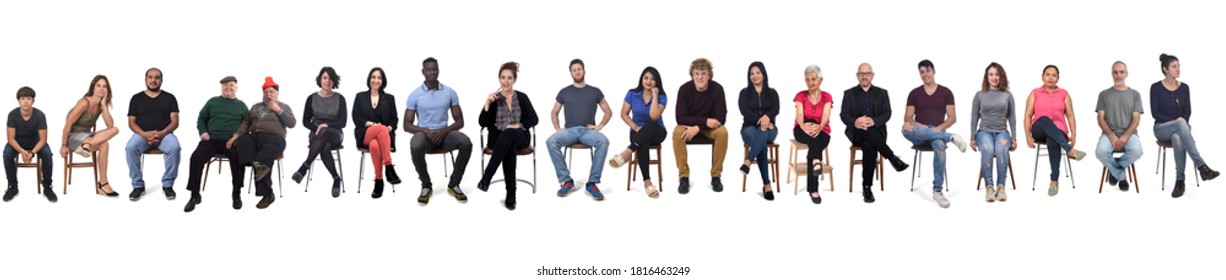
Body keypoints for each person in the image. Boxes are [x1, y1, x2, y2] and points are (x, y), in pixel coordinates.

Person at [218, 77, 295, 210]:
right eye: (265, 92)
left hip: (274, 138)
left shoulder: (283, 106)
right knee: (241, 141)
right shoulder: (255, 107)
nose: (268, 94)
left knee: (264, 157)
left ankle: (267, 194)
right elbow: (245, 124)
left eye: (271, 92)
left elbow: (292, 123)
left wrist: (277, 109)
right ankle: (256, 164)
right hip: (254, 137)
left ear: (277, 94)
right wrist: (234, 136)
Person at [1150, 53, 1219, 198]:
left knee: (1177, 137)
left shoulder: (1185, 88)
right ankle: (1202, 166)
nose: (1178, 69)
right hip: (1161, 128)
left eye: (1178, 66)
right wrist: (1177, 121)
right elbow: (1156, 114)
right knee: (1180, 124)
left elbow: (1187, 111)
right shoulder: (1155, 87)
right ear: (1165, 69)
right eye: (1174, 66)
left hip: (1181, 130)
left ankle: (1179, 181)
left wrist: (1180, 122)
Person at [901, 59, 968, 209]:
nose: (925, 75)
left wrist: (938, 130)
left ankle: (937, 191)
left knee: (939, 147)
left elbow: (952, 118)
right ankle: (951, 137)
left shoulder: (946, 92)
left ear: (934, 71)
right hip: (919, 132)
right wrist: (921, 126)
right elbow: (908, 118)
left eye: (927, 71)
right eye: (922, 72)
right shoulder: (914, 93)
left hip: (938, 132)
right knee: (905, 128)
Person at [405, 57, 472, 205]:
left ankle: (454, 184)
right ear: (423, 72)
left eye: (434, 69)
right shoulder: (414, 95)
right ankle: (426, 185)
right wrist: (425, 131)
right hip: (425, 136)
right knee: (415, 144)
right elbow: (407, 125)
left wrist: (444, 131)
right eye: (428, 69)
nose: (432, 72)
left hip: (445, 135)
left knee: (466, 143)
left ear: (438, 70)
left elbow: (460, 121)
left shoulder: (450, 92)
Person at [840, 63, 910, 203]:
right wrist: (856, 122)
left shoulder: (882, 93)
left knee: (869, 145)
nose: (864, 76)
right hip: (856, 133)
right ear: (857, 76)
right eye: (861, 74)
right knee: (866, 137)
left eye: (867, 73)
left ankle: (867, 187)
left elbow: (887, 113)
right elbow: (844, 115)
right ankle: (892, 158)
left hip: (877, 132)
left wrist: (873, 121)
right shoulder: (849, 93)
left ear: (872, 75)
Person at [477, 62, 539, 211]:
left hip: (520, 136)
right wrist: (487, 104)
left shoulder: (522, 97)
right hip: (498, 138)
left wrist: (518, 125)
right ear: (499, 80)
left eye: (509, 78)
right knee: (508, 144)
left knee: (510, 133)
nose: (506, 81)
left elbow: (534, 119)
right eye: (503, 78)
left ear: (514, 80)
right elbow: (482, 123)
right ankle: (511, 195)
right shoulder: (494, 99)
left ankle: (486, 178)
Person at [546, 59, 612, 201]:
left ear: (584, 71)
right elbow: (554, 111)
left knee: (604, 141)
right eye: (574, 70)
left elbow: (608, 111)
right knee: (551, 141)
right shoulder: (564, 91)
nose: (577, 71)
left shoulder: (595, 91)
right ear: (571, 73)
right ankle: (567, 181)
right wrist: (557, 128)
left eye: (579, 69)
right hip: (569, 131)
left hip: (588, 131)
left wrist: (599, 126)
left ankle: (592, 183)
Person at [182, 76, 248, 212]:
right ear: (221, 88)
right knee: (196, 158)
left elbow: (246, 125)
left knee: (239, 159)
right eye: (225, 85)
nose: (228, 87)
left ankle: (236, 194)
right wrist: (203, 132)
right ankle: (194, 195)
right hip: (211, 140)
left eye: (231, 85)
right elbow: (201, 118)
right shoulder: (212, 102)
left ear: (236, 88)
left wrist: (237, 138)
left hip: (231, 142)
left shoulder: (241, 105)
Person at [1024, 65, 1087, 197]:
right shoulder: (1035, 92)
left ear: (1058, 78)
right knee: (1045, 120)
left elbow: (1070, 115)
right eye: (1047, 74)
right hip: (1039, 129)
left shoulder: (1064, 94)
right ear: (1042, 77)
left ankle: (1054, 180)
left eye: (1054, 75)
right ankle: (1070, 150)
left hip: (1059, 131)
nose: (1050, 78)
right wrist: (1027, 136)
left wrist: (1074, 134)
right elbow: (1028, 116)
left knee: (1052, 138)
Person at [606, 67, 668, 198]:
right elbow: (624, 114)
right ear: (641, 79)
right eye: (646, 78)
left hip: (657, 132)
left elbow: (654, 116)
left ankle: (628, 152)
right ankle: (647, 182)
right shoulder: (632, 94)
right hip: (637, 132)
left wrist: (655, 95)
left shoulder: (662, 96)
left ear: (657, 82)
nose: (649, 81)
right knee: (643, 142)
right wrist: (635, 127)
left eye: (652, 79)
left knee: (650, 124)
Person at [672, 58, 729, 194]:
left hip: (710, 129)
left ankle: (716, 176)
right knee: (677, 132)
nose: (700, 77)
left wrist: (698, 126)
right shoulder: (684, 89)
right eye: (696, 74)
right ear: (692, 75)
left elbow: (721, 117)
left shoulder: (717, 89)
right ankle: (683, 177)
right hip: (689, 127)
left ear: (709, 75)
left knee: (723, 132)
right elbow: (680, 118)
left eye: (703, 73)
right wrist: (703, 122)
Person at [125, 67, 181, 201]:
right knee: (130, 147)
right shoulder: (136, 98)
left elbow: (175, 121)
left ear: (161, 80)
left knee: (175, 147)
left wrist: (163, 133)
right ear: (145, 80)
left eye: (157, 77)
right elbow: (131, 122)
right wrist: (143, 134)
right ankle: (138, 186)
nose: (153, 80)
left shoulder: (170, 98)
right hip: (142, 134)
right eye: (150, 77)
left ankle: (168, 185)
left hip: (165, 134)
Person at [290, 66, 348, 198]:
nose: (327, 81)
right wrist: (317, 128)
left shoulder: (340, 98)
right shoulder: (311, 98)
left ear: (334, 81)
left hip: (335, 133)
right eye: (325, 78)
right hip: (316, 133)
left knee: (325, 133)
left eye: (330, 78)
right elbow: (305, 122)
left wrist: (326, 125)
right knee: (325, 147)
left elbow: (343, 122)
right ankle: (336, 178)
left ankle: (305, 166)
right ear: (320, 80)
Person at [62, 75, 121, 197]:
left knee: (114, 130)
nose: (101, 89)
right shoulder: (84, 103)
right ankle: (103, 184)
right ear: (93, 87)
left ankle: (103, 183)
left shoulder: (100, 105)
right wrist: (63, 145)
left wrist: (104, 105)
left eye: (104, 87)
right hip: (73, 137)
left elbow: (110, 126)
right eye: (98, 86)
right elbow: (68, 123)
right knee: (104, 144)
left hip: (87, 138)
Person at [969, 62, 1017, 203]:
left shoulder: (1007, 95)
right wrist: (972, 138)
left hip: (1002, 131)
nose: (994, 77)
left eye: (997, 74)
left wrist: (1014, 137)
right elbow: (973, 117)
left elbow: (1012, 117)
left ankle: (1001, 187)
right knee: (988, 149)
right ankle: (989, 187)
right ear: (987, 76)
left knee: (1001, 149)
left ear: (1001, 76)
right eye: (991, 74)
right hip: (984, 132)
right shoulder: (979, 95)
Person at [1094, 61, 1144, 192]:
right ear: (1112, 74)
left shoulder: (1135, 94)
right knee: (1100, 151)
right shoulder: (1103, 94)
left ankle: (1114, 170)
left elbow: (1136, 119)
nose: (1118, 75)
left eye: (1121, 72)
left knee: (1137, 150)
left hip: (1129, 133)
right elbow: (1100, 119)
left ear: (1126, 74)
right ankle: (1121, 176)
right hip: (1108, 132)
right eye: (1115, 72)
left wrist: (1125, 137)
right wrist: (1111, 135)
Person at [353, 67, 401, 199]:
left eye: (379, 78)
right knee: (380, 129)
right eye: (373, 77)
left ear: (383, 81)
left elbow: (394, 118)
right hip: (365, 133)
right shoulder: (360, 96)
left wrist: (390, 127)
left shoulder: (389, 98)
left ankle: (379, 181)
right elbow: (356, 117)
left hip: (384, 137)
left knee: (375, 145)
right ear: (369, 79)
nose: (376, 80)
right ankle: (389, 166)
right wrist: (371, 124)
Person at [737, 61, 780, 201]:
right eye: (752, 73)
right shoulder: (744, 93)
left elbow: (776, 109)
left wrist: (767, 118)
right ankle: (767, 184)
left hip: (770, 129)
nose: (755, 76)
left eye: (758, 73)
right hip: (749, 128)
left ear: (763, 74)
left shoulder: (772, 93)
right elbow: (744, 111)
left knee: (762, 134)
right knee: (760, 140)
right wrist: (761, 120)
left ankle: (748, 161)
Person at [3, 87, 55, 202]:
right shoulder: (12, 115)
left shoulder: (40, 115)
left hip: (36, 140)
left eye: (28, 98)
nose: (25, 101)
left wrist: (32, 153)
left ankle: (47, 187)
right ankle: (12, 186)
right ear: (18, 101)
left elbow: (43, 139)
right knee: (7, 153)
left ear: (33, 101)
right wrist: (22, 151)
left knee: (47, 153)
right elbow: (10, 139)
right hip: (18, 141)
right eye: (22, 99)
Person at [793, 65, 833, 205]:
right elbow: (799, 114)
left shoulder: (827, 96)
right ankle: (817, 163)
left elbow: (826, 114)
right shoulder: (800, 95)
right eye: (808, 80)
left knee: (815, 139)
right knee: (813, 136)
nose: (811, 83)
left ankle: (813, 188)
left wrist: (820, 127)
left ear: (821, 80)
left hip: (822, 131)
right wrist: (804, 127)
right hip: (801, 129)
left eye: (814, 79)